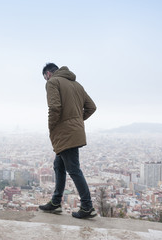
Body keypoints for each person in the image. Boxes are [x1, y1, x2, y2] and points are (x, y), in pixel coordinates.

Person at [39, 63, 97, 219]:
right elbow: (91, 107)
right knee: (59, 165)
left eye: (45, 78)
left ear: (49, 74)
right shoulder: (77, 85)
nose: (45, 81)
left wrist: (53, 127)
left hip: (65, 133)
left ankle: (87, 207)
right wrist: (76, 121)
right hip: (74, 132)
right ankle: (56, 202)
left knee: (73, 169)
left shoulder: (53, 83)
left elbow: (55, 107)